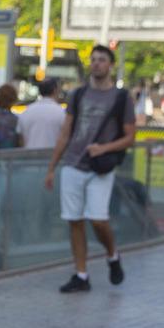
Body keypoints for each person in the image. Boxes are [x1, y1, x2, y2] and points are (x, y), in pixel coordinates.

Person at [44, 44, 137, 293]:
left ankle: (112, 255)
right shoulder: (78, 94)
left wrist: (104, 149)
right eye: (93, 59)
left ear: (110, 65)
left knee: (97, 219)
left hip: (100, 167)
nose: (96, 64)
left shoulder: (121, 98)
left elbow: (130, 137)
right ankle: (81, 275)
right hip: (74, 163)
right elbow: (66, 132)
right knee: (74, 220)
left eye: (102, 60)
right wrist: (52, 167)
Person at [17, 77, 66, 149]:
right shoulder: (62, 112)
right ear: (55, 90)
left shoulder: (26, 111)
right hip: (53, 157)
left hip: (30, 157)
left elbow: (20, 139)